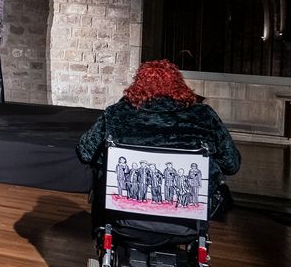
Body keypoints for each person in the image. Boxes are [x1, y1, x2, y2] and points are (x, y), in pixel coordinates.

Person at [76, 59, 241, 218]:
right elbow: (231, 164)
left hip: (124, 212)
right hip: (188, 215)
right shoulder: (204, 116)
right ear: (178, 85)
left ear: (138, 84)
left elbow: (85, 152)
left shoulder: (117, 113)